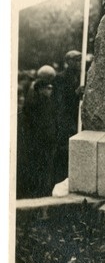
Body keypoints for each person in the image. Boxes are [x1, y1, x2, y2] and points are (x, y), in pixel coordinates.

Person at [21, 65, 58, 197]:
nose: (51, 86)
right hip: (38, 139)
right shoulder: (35, 94)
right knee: (39, 168)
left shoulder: (36, 91)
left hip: (42, 138)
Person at [53, 50, 83, 184]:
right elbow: (60, 101)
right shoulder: (61, 78)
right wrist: (75, 94)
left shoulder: (83, 76)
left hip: (80, 118)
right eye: (76, 60)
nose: (79, 63)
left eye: (80, 60)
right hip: (67, 119)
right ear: (68, 62)